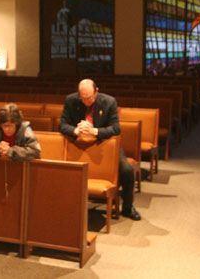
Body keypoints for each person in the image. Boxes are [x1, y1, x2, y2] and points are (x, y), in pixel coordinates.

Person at [59, 79, 141, 221]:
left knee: (127, 170)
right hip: (79, 144)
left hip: (105, 144)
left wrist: (95, 131)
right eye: (82, 98)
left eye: (89, 98)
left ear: (96, 91)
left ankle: (128, 207)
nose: (85, 102)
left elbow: (116, 129)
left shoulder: (109, 102)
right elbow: (62, 125)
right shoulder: (71, 100)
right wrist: (76, 130)